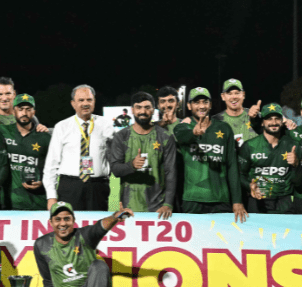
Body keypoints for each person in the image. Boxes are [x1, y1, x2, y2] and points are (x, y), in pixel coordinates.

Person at [35, 201, 133, 287]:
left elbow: (100, 227)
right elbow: (48, 280)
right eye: (58, 219)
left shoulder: (84, 235)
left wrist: (115, 217)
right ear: (50, 222)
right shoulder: (41, 244)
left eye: (67, 219)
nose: (62, 223)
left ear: (73, 220)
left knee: (99, 265)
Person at [174, 87, 247, 222]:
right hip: (193, 199)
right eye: (197, 102)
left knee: (221, 241)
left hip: (220, 198)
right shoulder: (183, 127)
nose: (202, 106)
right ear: (189, 106)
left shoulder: (224, 128)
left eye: (205, 102)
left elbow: (232, 165)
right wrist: (194, 133)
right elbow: (182, 136)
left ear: (210, 105)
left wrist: (237, 200)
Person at [43, 84, 114, 211]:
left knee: (97, 228)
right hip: (70, 186)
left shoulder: (106, 124)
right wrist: (51, 196)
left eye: (89, 100)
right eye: (81, 100)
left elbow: (116, 153)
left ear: (94, 101)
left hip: (98, 187)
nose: (85, 103)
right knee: (70, 227)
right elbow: (51, 164)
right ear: (73, 103)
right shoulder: (62, 126)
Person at [109, 91, 176, 219]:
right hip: (129, 207)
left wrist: (168, 203)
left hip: (159, 208)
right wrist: (131, 165)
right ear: (132, 110)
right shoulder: (121, 136)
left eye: (147, 107)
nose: (143, 112)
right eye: (138, 107)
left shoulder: (165, 137)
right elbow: (115, 169)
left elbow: (171, 172)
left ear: (153, 110)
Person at [238, 104, 302, 214]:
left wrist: (297, 164)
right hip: (257, 201)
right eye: (269, 119)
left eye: (277, 118)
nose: (273, 122)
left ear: (282, 122)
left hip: (284, 203)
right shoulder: (249, 145)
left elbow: (300, 182)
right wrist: (249, 186)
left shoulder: (293, 145)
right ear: (262, 122)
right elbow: (239, 174)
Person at [0, 94, 51, 210]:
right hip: (8, 203)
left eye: (28, 109)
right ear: (13, 111)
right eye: (20, 109)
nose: (24, 113)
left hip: (37, 203)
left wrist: (42, 181)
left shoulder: (45, 138)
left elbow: (53, 168)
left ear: (34, 112)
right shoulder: (2, 131)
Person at [212, 78, 260, 147]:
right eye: (229, 93)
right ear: (223, 96)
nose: (234, 97)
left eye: (237, 93)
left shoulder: (255, 115)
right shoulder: (215, 120)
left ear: (243, 94)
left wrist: (257, 118)